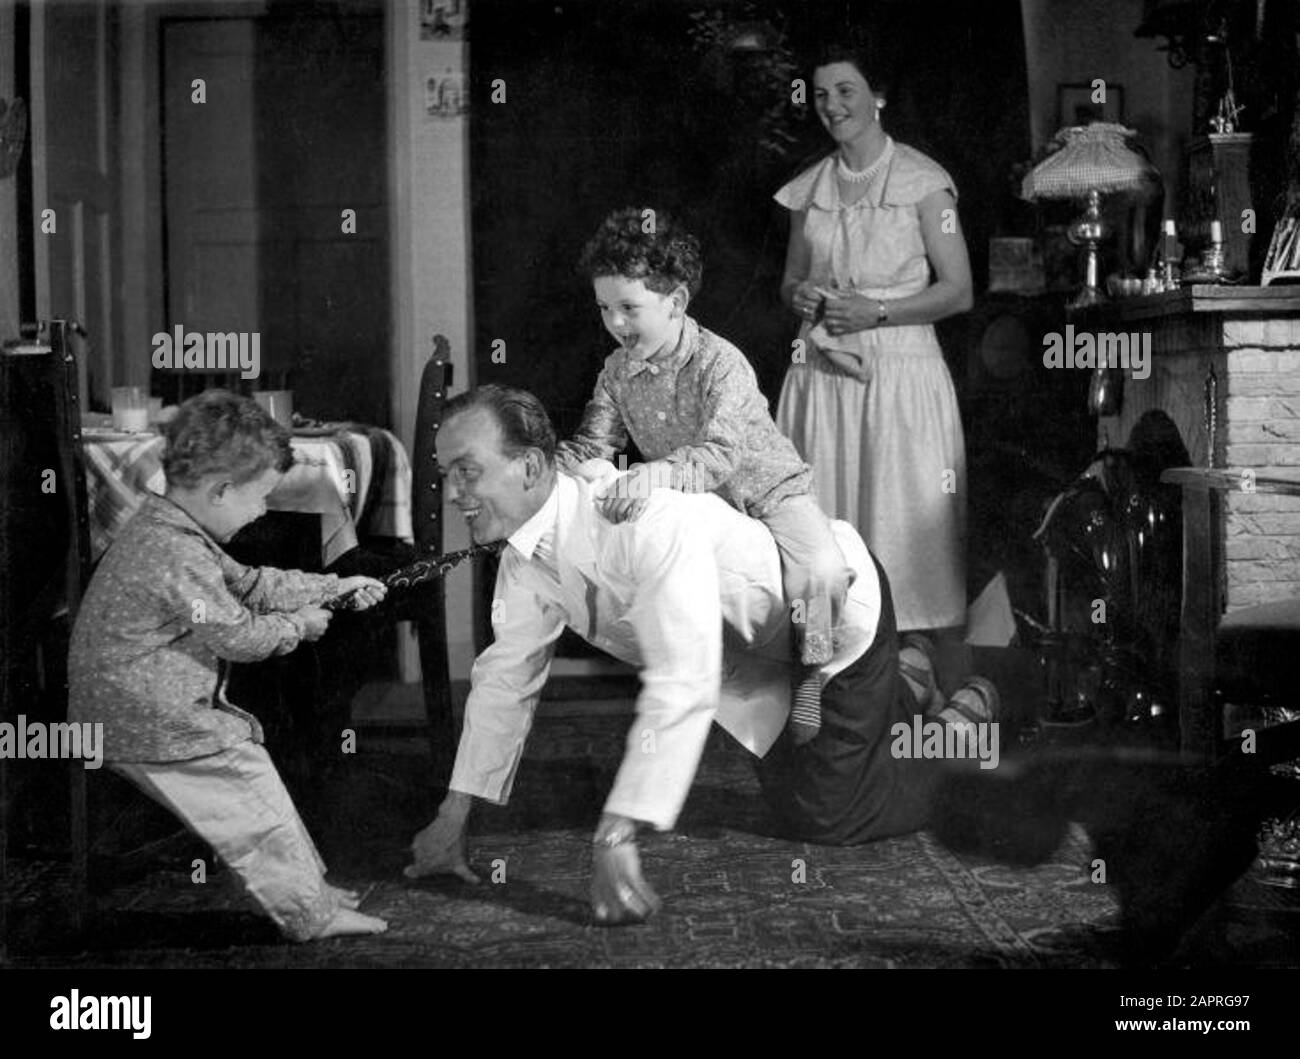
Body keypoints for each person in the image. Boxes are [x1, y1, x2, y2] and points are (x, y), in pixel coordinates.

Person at [408, 384, 965, 926]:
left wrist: (618, 830)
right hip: (755, 670)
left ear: (530, 467)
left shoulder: (644, 520)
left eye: (467, 470)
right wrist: (451, 817)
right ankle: (908, 683)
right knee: (794, 806)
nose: (453, 493)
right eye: (446, 474)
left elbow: (682, 675)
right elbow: (506, 681)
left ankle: (969, 711)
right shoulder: (523, 561)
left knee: (834, 819)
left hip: (829, 617)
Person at [68, 390, 390, 941]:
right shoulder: (178, 553)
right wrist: (300, 626)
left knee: (256, 786)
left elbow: (252, 584)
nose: (263, 511)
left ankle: (308, 888)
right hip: (142, 717)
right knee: (251, 796)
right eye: (260, 498)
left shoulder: (172, 526)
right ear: (221, 491)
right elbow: (237, 635)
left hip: (141, 707)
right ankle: (309, 915)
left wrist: (333, 587)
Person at [557, 207, 851, 743]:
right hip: (694, 502)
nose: (616, 324)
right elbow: (594, 445)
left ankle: (812, 674)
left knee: (823, 569)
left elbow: (719, 455)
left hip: (765, 491)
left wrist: (653, 476)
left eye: (629, 308)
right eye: (605, 308)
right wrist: (543, 466)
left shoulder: (722, 362)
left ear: (676, 302)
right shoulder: (616, 372)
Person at [775, 41, 973, 636]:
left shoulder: (926, 184)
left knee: (904, 536)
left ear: (877, 97)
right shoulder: (806, 192)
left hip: (901, 379)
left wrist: (877, 311)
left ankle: (911, 680)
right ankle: (826, 677)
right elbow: (789, 281)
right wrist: (801, 297)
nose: (831, 106)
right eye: (820, 95)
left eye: (845, 91)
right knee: (822, 534)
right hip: (820, 378)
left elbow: (958, 291)